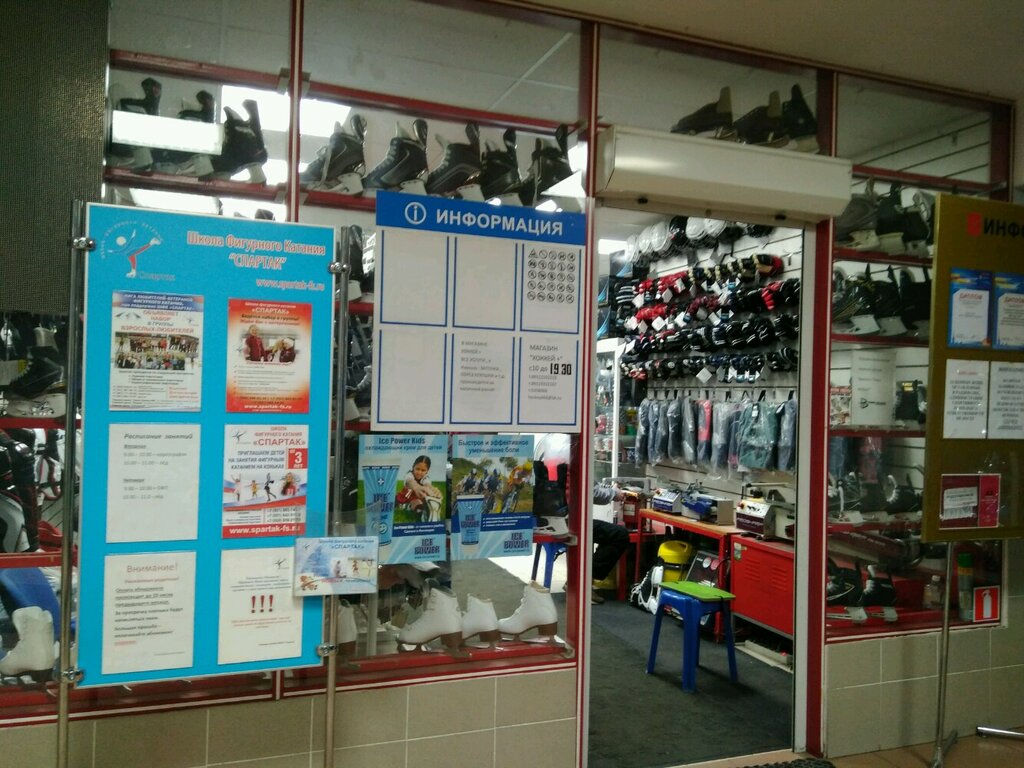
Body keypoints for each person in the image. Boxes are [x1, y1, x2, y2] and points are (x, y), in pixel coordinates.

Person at [591, 483, 630, 604]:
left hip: (563, 519)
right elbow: (592, 492)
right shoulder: (574, 470)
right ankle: (583, 581)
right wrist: (614, 494)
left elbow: (593, 484)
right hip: (571, 521)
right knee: (620, 535)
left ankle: (581, 579)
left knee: (610, 533)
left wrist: (609, 488)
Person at [403, 455, 442, 520]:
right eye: (417, 469)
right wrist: (416, 487)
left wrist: (432, 490)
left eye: (423, 470)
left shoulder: (426, 478)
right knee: (416, 502)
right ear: (413, 467)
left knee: (421, 501)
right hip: (407, 495)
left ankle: (426, 512)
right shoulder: (409, 474)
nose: (419, 472)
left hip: (419, 496)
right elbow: (410, 481)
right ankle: (407, 506)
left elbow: (427, 485)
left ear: (427, 471)